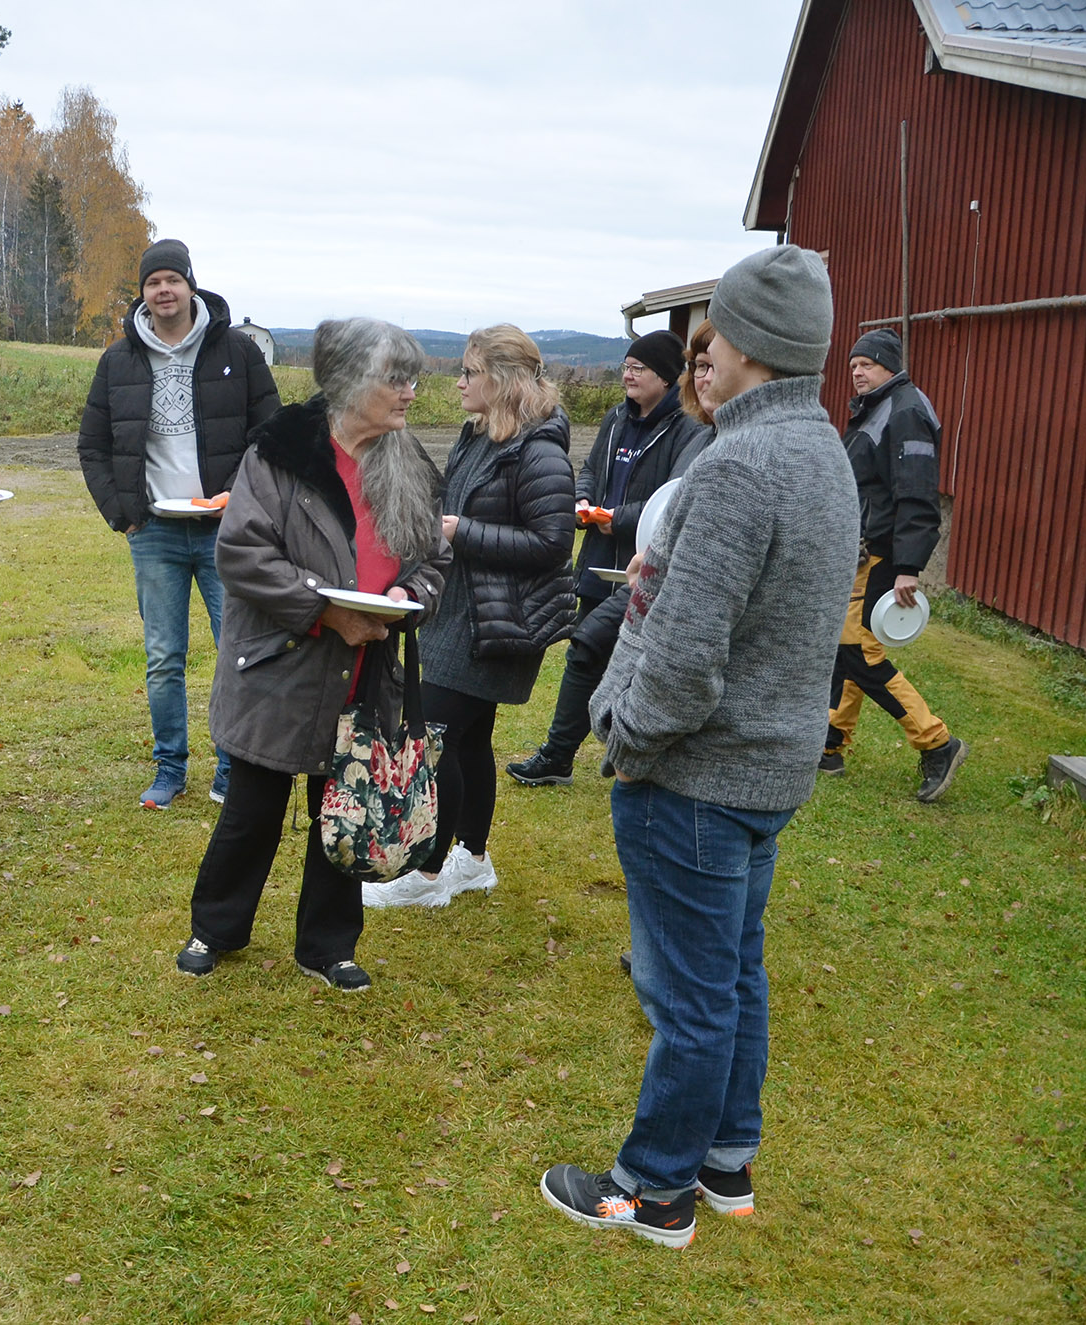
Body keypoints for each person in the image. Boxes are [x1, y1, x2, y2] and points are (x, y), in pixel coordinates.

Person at [540, 245, 859, 1248]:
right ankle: (725, 1159)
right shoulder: (821, 452)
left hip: (693, 776)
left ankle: (652, 1190)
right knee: (731, 974)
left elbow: (683, 657)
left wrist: (623, 736)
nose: (695, 350)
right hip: (765, 772)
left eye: (710, 333)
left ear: (752, 344)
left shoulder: (739, 464)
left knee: (688, 991)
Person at [173, 318, 450, 992]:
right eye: (395, 377)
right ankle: (216, 927)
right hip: (281, 664)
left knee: (345, 804)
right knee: (253, 809)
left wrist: (409, 595)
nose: (409, 392)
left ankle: (328, 946)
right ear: (350, 380)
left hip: (366, 667)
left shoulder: (408, 462)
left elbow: (432, 560)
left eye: (412, 377)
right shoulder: (280, 451)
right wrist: (326, 609)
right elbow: (241, 553)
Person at [363, 325, 575, 907]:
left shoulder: (539, 449)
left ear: (501, 381)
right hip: (458, 610)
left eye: (469, 371)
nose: (458, 382)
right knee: (470, 738)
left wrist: (463, 531)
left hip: (497, 620)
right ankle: (473, 860)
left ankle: (427, 876)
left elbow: (554, 542)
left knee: (436, 735)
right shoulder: (478, 434)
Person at [77, 239, 280, 808]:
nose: (163, 291)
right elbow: (92, 446)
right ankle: (169, 768)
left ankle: (230, 768)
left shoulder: (236, 351)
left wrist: (236, 495)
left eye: (172, 279)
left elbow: (270, 433)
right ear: (142, 293)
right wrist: (124, 514)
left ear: (191, 285)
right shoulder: (119, 359)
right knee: (163, 657)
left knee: (234, 649)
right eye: (152, 282)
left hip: (227, 531)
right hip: (156, 535)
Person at [506, 329, 711, 786]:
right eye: (626, 366)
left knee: (627, 662)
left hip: (646, 567)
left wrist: (618, 518)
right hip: (600, 562)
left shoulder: (689, 429)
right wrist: (582, 501)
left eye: (639, 369)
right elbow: (592, 469)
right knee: (589, 650)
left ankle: (623, 754)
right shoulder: (615, 419)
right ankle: (563, 755)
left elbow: (675, 498)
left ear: (666, 377)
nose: (628, 375)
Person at [821, 327, 968, 801]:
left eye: (866, 365)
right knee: (847, 646)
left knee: (857, 650)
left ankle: (937, 742)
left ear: (889, 365)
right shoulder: (877, 409)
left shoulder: (905, 411)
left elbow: (917, 493)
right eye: (853, 367)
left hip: (882, 551)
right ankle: (831, 743)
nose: (857, 373)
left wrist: (908, 565)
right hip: (861, 548)